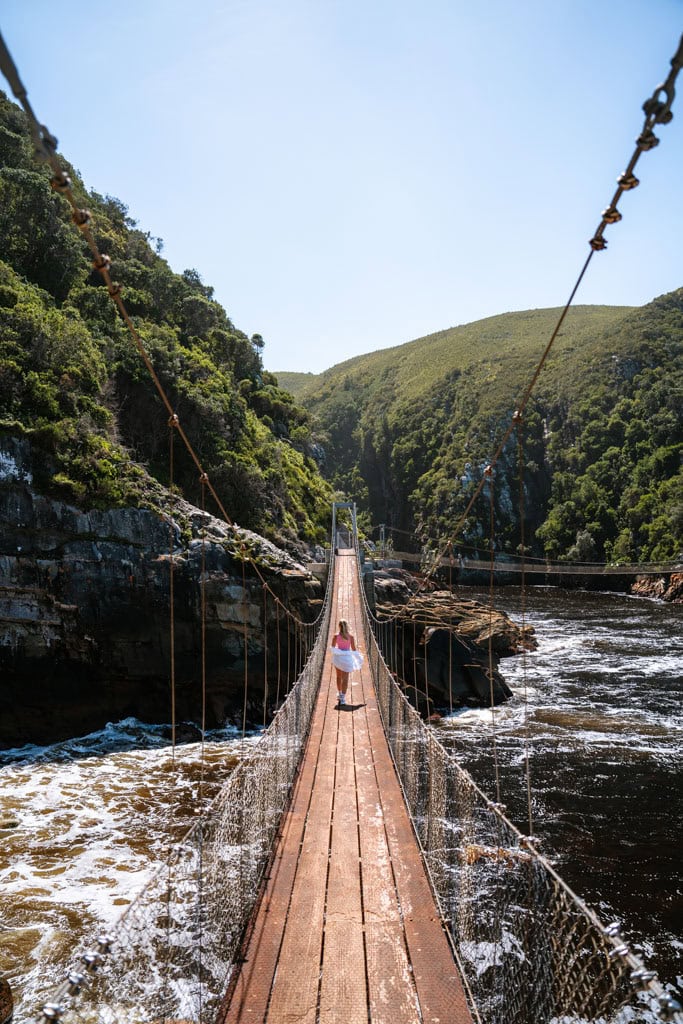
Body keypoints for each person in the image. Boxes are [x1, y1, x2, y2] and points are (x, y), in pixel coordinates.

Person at [331, 619, 363, 705]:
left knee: (338, 676)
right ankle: (343, 698)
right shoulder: (351, 637)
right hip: (347, 660)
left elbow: (333, 648)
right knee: (345, 679)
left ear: (339, 626)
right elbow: (354, 650)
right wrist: (359, 659)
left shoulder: (335, 636)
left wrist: (339, 652)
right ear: (347, 626)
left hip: (338, 659)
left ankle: (340, 693)